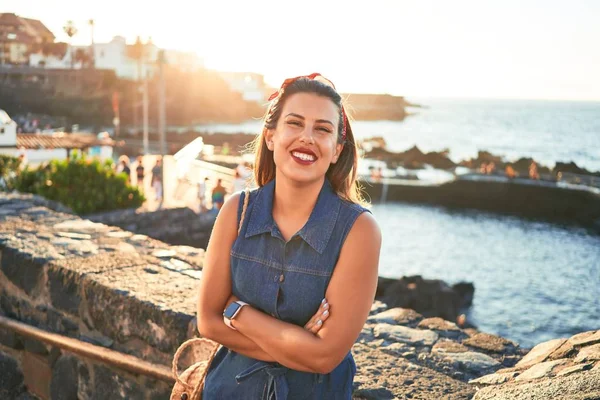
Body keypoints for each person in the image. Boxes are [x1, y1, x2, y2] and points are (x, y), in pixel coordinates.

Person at [197, 73, 382, 399]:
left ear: (337, 149)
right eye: (294, 123)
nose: (307, 137)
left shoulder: (360, 230)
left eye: (322, 129)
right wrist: (297, 342)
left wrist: (238, 312)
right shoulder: (235, 213)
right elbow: (208, 322)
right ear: (271, 136)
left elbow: (325, 357)